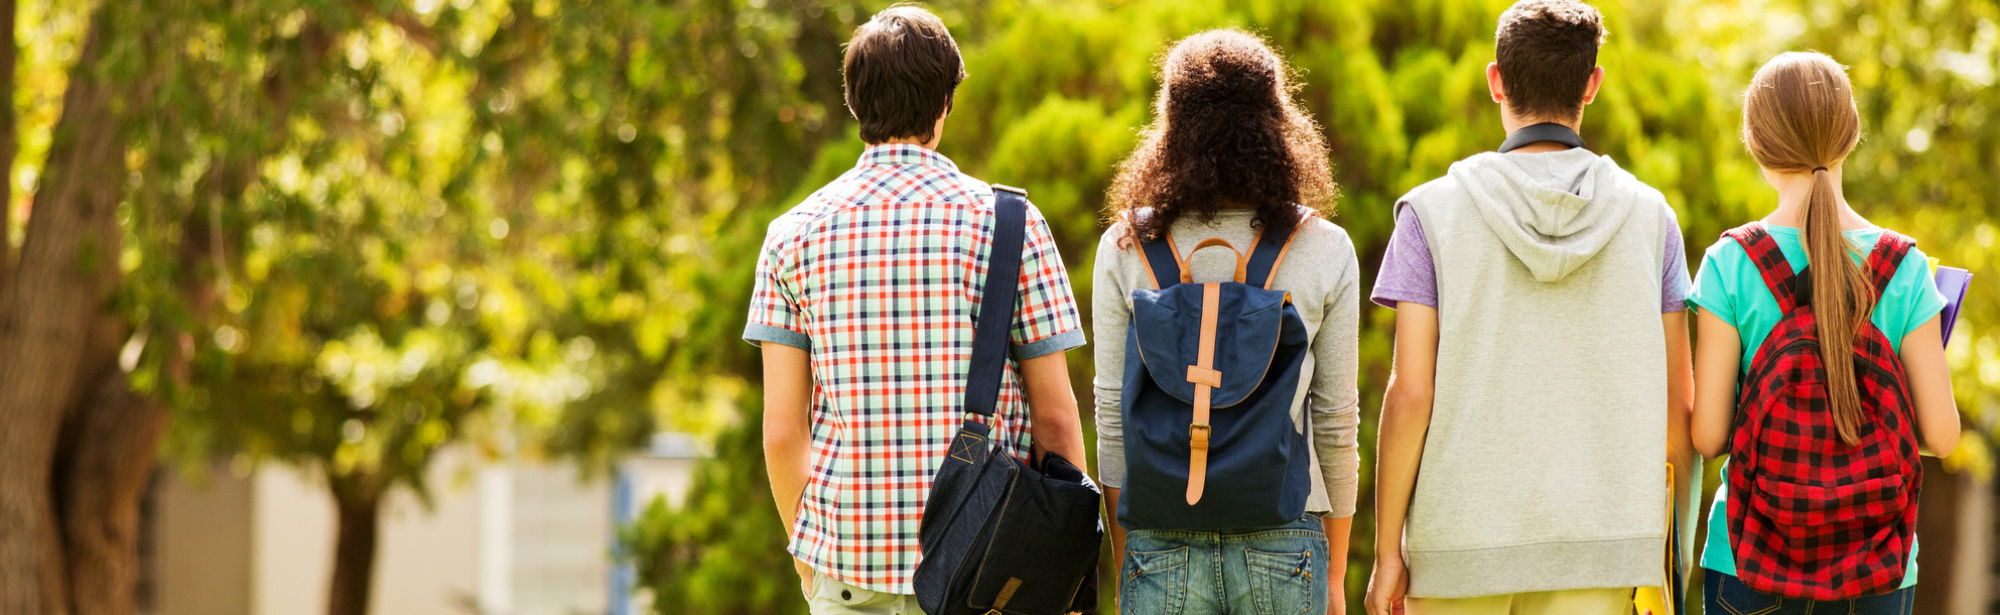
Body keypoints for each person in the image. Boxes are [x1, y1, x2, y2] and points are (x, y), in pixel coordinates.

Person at [743, 6, 1090, 615]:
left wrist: (809, 556)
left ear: (854, 103)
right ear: (945, 102)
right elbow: (1056, 423)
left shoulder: (792, 234)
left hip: (847, 573)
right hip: (992, 577)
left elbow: (781, 431)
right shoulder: (1011, 226)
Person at [1362, 1, 1698, 614]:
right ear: (1592, 84)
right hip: (1603, 545)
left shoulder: (1430, 214)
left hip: (1458, 549)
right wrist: (1667, 556)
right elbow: (1679, 406)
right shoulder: (1653, 221)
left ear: (1496, 80)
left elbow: (1410, 392)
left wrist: (1388, 553)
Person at [1093, 28, 1361, 615]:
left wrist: (1126, 556)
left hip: (1159, 539)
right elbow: (1337, 423)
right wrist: (1335, 572)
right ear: (1276, 120)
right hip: (1286, 538)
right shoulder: (1324, 246)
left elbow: (1113, 421)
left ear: (1170, 124)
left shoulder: (1126, 246)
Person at [1687, 51, 1959, 615]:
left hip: (1750, 561)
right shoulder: (1903, 267)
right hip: (1877, 568)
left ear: (1757, 145)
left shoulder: (1730, 264)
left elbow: (1710, 437)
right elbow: (1943, 435)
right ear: (1851, 134)